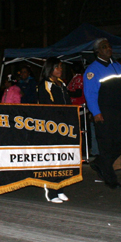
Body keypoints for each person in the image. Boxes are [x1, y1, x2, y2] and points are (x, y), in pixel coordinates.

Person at [83, 38, 121, 189]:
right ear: (98, 51)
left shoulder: (117, 66)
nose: (108, 49)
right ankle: (110, 178)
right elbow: (90, 93)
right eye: (104, 47)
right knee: (107, 145)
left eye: (109, 46)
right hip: (104, 111)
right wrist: (96, 112)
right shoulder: (92, 70)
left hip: (119, 110)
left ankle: (100, 163)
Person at [37, 57, 71, 203]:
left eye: (61, 67)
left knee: (62, 159)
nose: (60, 70)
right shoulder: (45, 84)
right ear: (50, 68)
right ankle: (51, 192)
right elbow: (47, 106)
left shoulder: (62, 83)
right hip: (52, 126)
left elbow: (68, 103)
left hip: (64, 126)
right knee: (52, 159)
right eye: (57, 67)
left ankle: (60, 188)